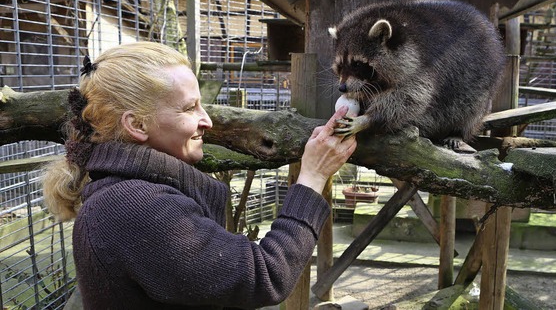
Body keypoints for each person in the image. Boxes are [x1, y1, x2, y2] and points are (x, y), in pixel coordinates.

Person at [42, 41, 357, 309]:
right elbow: (266, 276)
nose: (206, 119)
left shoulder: (129, 192)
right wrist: (313, 176)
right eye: (189, 108)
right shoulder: (132, 206)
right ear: (136, 125)